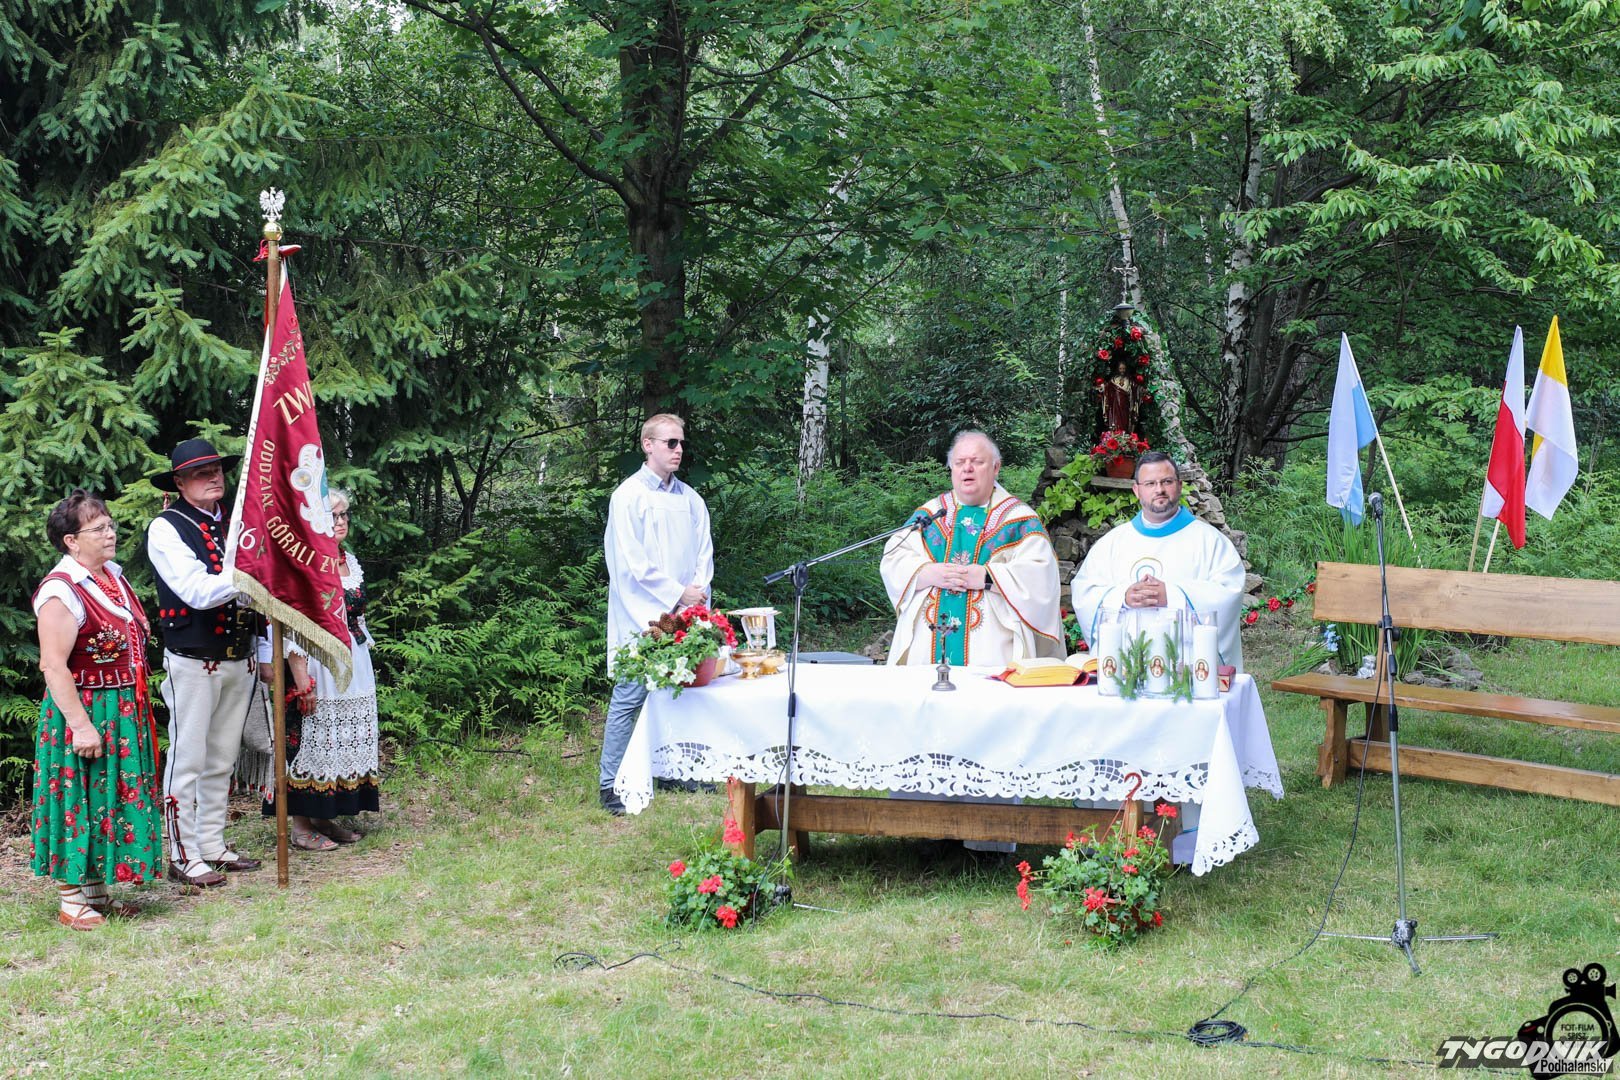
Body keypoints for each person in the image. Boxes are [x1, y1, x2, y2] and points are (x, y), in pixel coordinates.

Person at [30, 489, 164, 929]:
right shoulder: (60, 590)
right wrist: (81, 726)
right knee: (76, 797)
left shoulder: (112, 578)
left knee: (103, 799)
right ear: (71, 541)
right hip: (84, 709)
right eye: (99, 528)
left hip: (120, 709)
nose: (110, 533)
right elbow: (53, 665)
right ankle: (70, 901)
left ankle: (95, 892)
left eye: (110, 525)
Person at [147, 438, 262, 886]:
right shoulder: (167, 528)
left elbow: (255, 600)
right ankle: (181, 853)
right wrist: (253, 570)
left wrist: (263, 651)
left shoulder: (236, 522)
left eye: (216, 469)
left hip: (239, 657)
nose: (213, 477)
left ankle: (212, 844)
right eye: (200, 473)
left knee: (222, 757)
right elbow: (196, 592)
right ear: (179, 482)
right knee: (188, 759)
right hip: (193, 660)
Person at [600, 414, 714, 815]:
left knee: (678, 694)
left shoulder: (691, 499)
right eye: (670, 443)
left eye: (681, 443)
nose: (678, 450)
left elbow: (704, 554)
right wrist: (676, 594)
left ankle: (674, 769)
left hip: (684, 612)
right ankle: (610, 783)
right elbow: (632, 563)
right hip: (641, 612)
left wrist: (693, 598)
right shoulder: (628, 496)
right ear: (647, 445)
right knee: (631, 694)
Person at [882, 430, 1064, 667]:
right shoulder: (931, 514)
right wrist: (926, 572)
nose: (967, 468)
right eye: (959, 462)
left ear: (996, 468)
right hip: (926, 650)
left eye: (977, 462)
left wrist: (988, 577)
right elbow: (894, 558)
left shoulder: (1018, 519)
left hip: (993, 649)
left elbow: (1041, 575)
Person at [262, 487, 380, 851]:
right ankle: (300, 826)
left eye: (344, 515)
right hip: (317, 664)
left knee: (339, 740)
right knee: (312, 739)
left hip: (352, 660)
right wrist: (302, 681)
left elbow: (357, 616)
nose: (341, 522)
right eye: (332, 516)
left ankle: (325, 817)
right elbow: (293, 626)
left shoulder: (349, 561)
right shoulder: (305, 563)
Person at [1070, 450, 1246, 671]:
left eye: (1167, 481)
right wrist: (1123, 597)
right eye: (1150, 483)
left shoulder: (1211, 542)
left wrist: (1172, 596)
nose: (1159, 489)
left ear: (1179, 485)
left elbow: (1229, 592)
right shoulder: (1112, 543)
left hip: (1188, 673)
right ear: (1136, 490)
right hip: (1125, 673)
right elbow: (1085, 593)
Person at [1099, 356, 1141, 435]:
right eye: (1120, 368)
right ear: (1118, 369)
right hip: (1115, 406)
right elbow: (1107, 388)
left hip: (1125, 405)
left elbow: (1135, 389)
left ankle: (1125, 433)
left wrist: (1141, 389)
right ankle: (1116, 433)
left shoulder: (1129, 380)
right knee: (1116, 420)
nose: (1122, 370)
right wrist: (1102, 387)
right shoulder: (1114, 379)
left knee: (1125, 420)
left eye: (1124, 369)